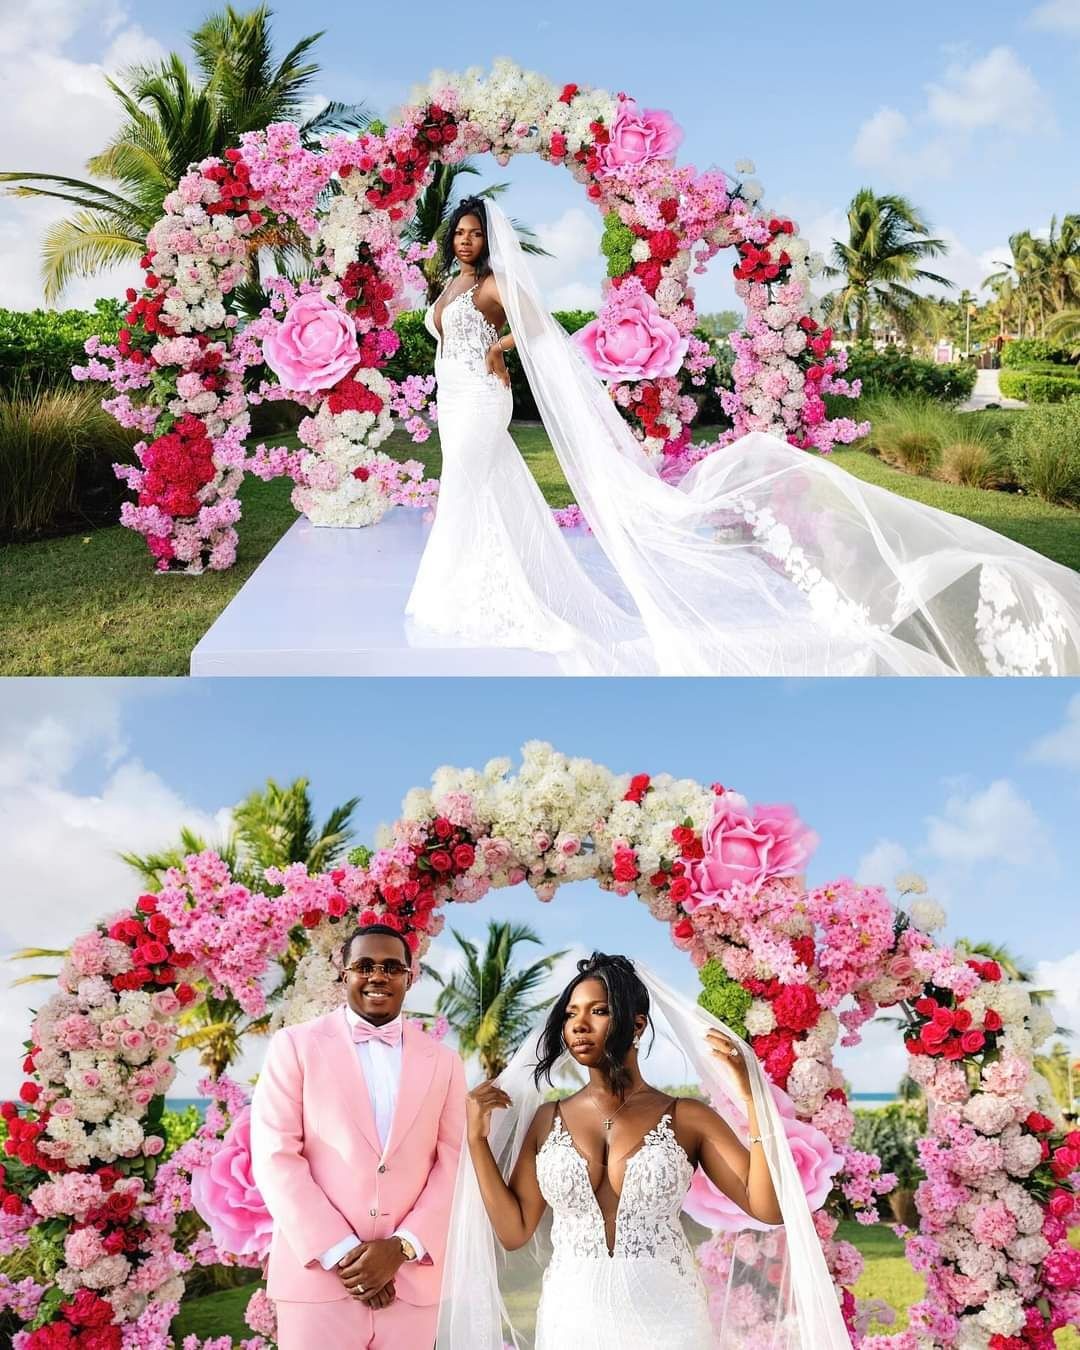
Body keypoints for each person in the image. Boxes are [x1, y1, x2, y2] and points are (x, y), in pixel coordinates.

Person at [405, 197, 1080, 676]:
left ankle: (470, 588)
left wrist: (500, 350)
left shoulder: (494, 284)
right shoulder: (450, 283)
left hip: (482, 398)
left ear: (489, 239)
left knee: (468, 481)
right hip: (452, 399)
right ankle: (470, 579)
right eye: (458, 233)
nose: (465, 241)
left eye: (473, 233)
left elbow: (540, 330)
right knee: (477, 487)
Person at [436, 954, 852, 1349]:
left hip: (668, 1320)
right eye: (570, 1014)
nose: (579, 1025)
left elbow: (768, 1208)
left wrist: (753, 1102)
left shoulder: (687, 1117)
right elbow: (513, 1231)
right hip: (572, 1319)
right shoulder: (547, 1120)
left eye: (598, 1011)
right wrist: (476, 1142)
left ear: (637, 1025)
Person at [250, 924, 466, 1350]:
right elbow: (276, 1156)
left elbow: (455, 1162)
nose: (378, 976)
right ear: (344, 974)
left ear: (409, 976)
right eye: (364, 965)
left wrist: (401, 1248)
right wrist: (345, 1254)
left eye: (392, 967)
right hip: (320, 1280)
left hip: (412, 1281)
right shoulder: (294, 1046)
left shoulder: (444, 1062)